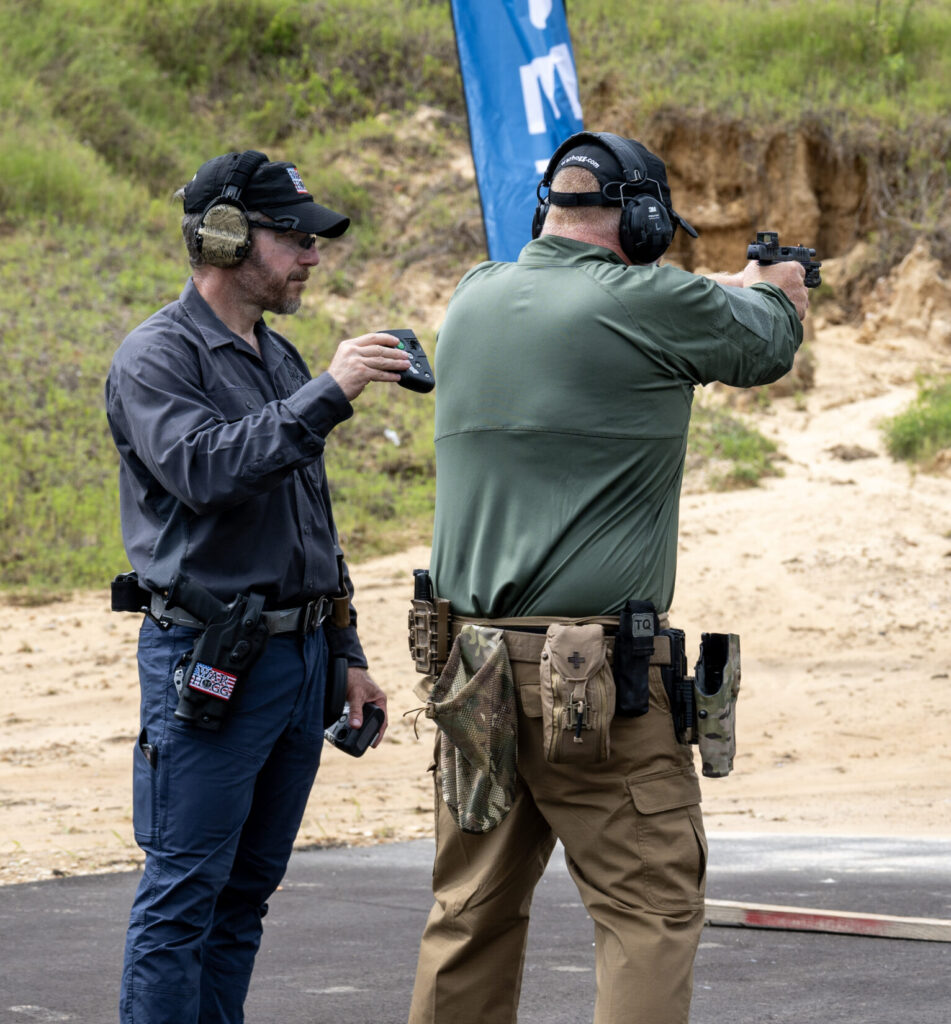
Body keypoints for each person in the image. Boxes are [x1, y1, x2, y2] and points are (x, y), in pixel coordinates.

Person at [408, 131, 808, 1024]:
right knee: (647, 914)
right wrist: (777, 293)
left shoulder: (473, 296)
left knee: (467, 917)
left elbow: (629, 312)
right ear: (644, 219)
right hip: (589, 681)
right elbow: (763, 347)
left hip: (469, 669)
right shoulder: (652, 298)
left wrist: (721, 294)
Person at [105, 149, 411, 1024]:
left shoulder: (277, 358)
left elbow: (310, 523)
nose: (312, 256)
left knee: (242, 900)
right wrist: (329, 392)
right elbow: (204, 470)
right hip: (211, 662)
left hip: (296, 662)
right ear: (227, 237)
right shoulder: (156, 357)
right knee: (183, 897)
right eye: (293, 238)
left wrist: (344, 653)